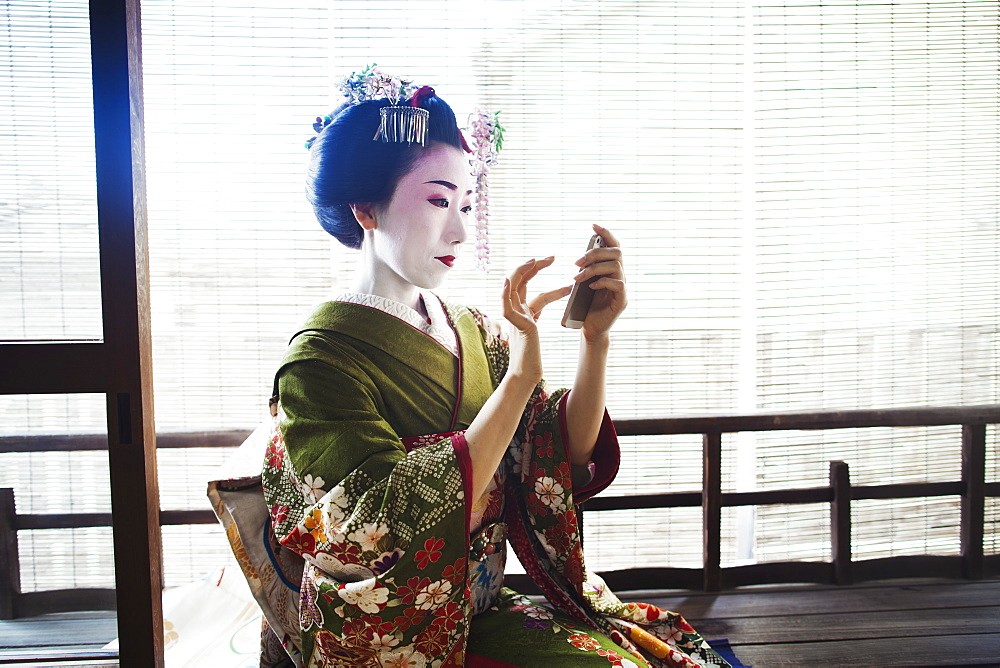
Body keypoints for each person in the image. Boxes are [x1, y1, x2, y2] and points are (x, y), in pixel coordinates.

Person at [210, 67, 730, 668]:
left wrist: (595, 342)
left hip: (474, 602)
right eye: (436, 201)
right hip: (388, 627)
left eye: (466, 203)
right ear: (365, 209)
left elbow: (555, 452)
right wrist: (518, 381)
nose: (458, 229)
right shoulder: (319, 360)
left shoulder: (474, 329)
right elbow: (377, 523)